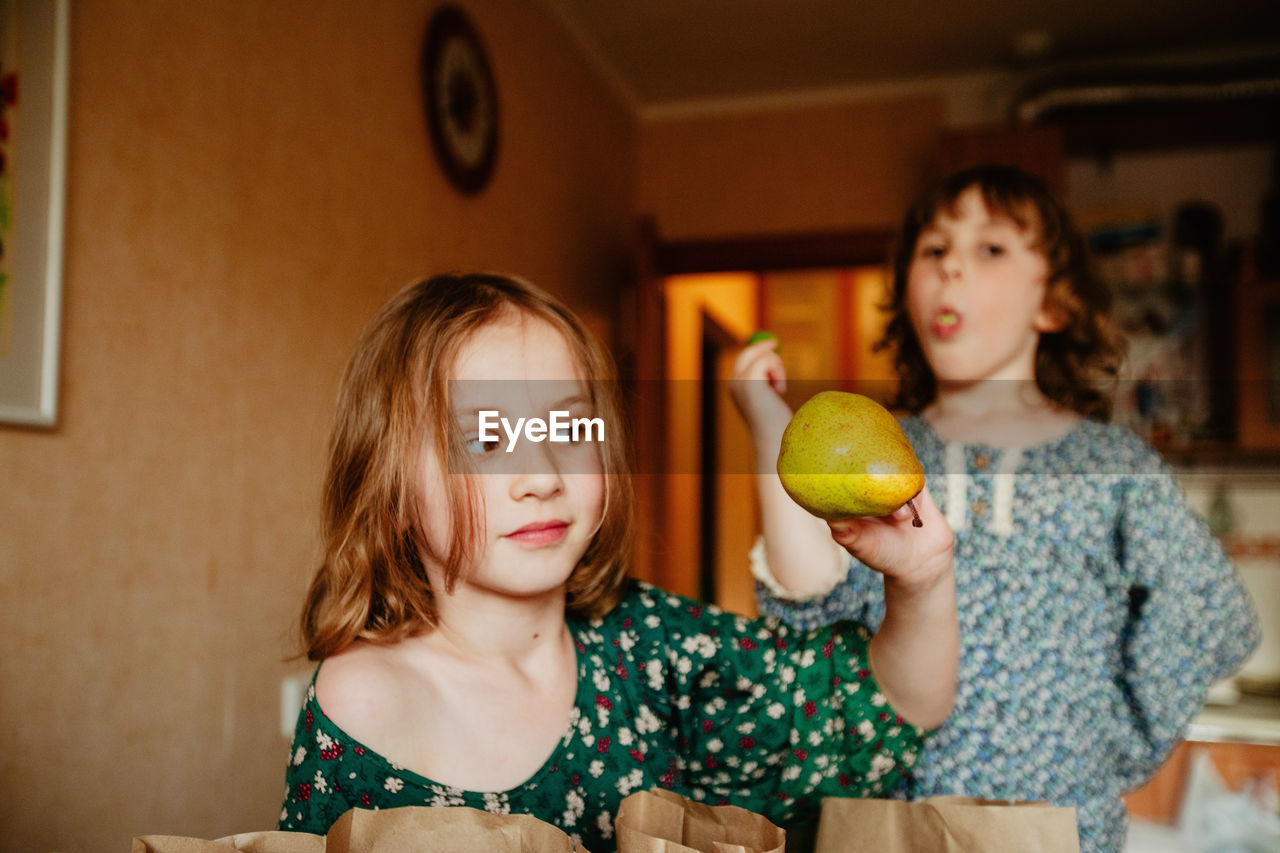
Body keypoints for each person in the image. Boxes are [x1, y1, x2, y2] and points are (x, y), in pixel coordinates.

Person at [278, 272, 958, 851]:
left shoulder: (656, 648)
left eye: (569, 428)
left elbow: (883, 708)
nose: (540, 474)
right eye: (487, 437)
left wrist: (921, 577)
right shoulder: (362, 703)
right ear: (389, 486)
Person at [730, 164, 1262, 853]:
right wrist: (771, 427)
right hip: (886, 826)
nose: (952, 268)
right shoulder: (879, 447)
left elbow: (1211, 614)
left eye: (990, 249)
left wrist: (1119, 741)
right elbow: (806, 609)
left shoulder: (1108, 464)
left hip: (1061, 826)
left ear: (1054, 303)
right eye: (933, 250)